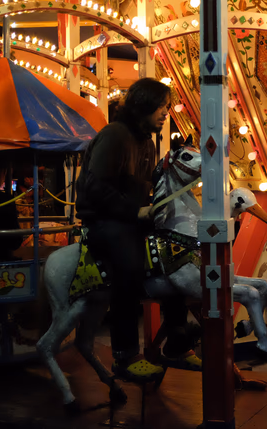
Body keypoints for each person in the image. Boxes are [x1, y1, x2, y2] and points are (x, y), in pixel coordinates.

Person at [76, 78, 196, 381]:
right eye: (161, 106)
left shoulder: (145, 141)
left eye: (167, 107)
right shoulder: (115, 136)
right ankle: (125, 355)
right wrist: (134, 210)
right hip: (105, 222)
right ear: (143, 104)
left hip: (132, 220)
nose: (165, 113)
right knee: (128, 266)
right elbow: (95, 187)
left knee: (172, 256)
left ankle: (178, 338)